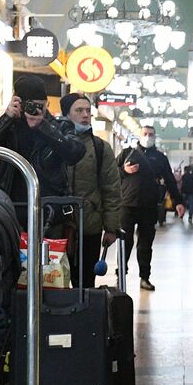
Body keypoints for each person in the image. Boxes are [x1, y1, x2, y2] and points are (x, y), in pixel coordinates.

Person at [0, 73, 86, 232]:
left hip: (49, 213)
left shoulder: (60, 127)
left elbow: (75, 153)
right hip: (11, 210)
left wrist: (43, 127)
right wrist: (6, 119)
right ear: (18, 102)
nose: (36, 110)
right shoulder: (8, 126)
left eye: (41, 105)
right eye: (31, 105)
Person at [59, 93, 121, 289]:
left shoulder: (100, 148)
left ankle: (84, 317)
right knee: (54, 278)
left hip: (90, 225)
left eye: (88, 111)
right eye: (79, 110)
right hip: (58, 224)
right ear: (66, 115)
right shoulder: (54, 145)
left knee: (85, 281)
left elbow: (111, 189)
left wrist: (111, 228)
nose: (85, 115)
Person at [117, 125, 185, 291]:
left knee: (145, 244)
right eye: (145, 134)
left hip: (149, 206)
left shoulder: (160, 158)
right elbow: (111, 173)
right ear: (139, 135)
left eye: (151, 134)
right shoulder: (127, 153)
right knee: (125, 242)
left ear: (155, 137)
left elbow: (170, 180)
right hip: (127, 205)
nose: (148, 137)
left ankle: (144, 277)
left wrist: (178, 202)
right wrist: (124, 170)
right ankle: (120, 275)